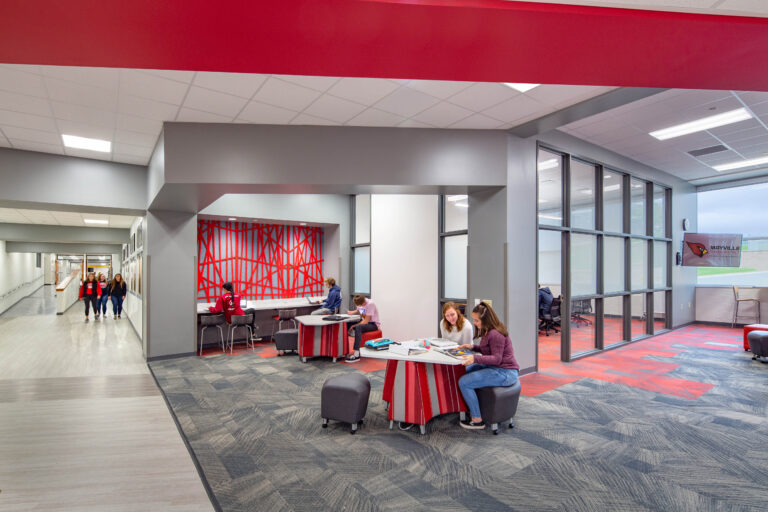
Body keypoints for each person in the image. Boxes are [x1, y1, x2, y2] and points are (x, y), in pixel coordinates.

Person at [456, 301, 519, 430]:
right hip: (497, 368)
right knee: (465, 370)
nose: (474, 323)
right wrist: (474, 347)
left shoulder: (495, 334)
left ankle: (477, 419)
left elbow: (496, 359)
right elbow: (489, 350)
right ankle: (471, 406)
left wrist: (474, 358)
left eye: (477, 320)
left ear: (486, 320)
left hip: (505, 372)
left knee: (464, 382)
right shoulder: (489, 331)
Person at [344, 294, 380, 362]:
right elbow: (358, 310)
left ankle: (356, 355)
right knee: (347, 324)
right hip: (364, 321)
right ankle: (344, 351)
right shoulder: (360, 301)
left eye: (360, 305)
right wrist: (351, 312)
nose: (359, 306)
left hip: (373, 324)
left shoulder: (370, 304)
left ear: (363, 303)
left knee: (358, 327)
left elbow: (366, 321)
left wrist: (354, 326)